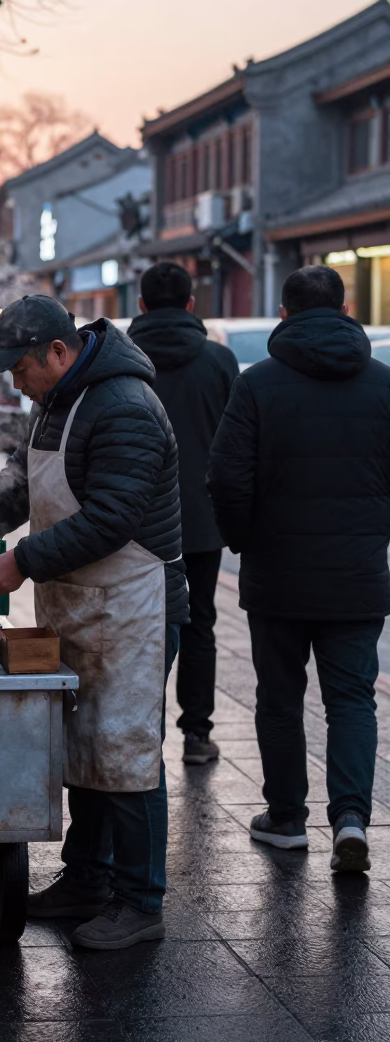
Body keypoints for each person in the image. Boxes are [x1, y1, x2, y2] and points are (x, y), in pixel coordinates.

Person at [0, 294, 187, 950]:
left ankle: (140, 901)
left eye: (20, 368)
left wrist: (22, 560)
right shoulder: (57, 401)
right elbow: (22, 481)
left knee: (126, 750)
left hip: (134, 604)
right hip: (78, 601)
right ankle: (86, 879)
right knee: (84, 745)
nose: (15, 382)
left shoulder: (125, 406)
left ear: (58, 350)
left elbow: (113, 518)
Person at [208, 265, 390, 872]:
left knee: (280, 699)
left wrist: (243, 541)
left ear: (283, 315)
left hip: (278, 572)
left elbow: (228, 478)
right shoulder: (383, 385)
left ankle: (287, 818)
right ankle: (351, 819)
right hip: (358, 575)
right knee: (352, 700)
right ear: (345, 311)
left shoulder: (258, 384)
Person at [128, 263, 239, 765]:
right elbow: (236, 445)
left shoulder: (122, 361)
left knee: (137, 625)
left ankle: (140, 729)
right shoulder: (219, 361)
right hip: (200, 519)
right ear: (192, 304)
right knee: (201, 624)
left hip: (132, 519)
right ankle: (197, 733)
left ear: (142, 304)